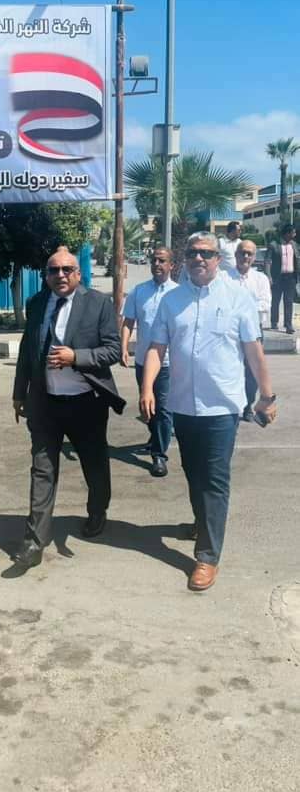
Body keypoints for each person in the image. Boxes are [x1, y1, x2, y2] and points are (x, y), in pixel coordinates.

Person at [140, 232, 277, 592]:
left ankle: (207, 556)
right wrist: (147, 387)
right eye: (192, 253)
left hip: (221, 407)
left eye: (206, 253)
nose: (198, 258)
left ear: (218, 258)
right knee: (193, 472)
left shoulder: (238, 297)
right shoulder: (171, 301)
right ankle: (202, 523)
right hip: (183, 406)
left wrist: (267, 396)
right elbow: (156, 347)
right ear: (184, 259)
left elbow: (253, 350)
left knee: (214, 479)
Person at [12, 247, 125, 570]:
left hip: (86, 403)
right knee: (42, 470)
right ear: (46, 275)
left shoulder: (98, 303)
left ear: (78, 273)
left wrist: (76, 357)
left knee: (94, 464)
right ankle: (34, 542)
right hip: (45, 403)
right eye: (53, 270)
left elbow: (113, 350)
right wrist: (19, 393)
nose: (60, 275)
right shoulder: (37, 303)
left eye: (66, 270)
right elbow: (27, 350)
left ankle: (98, 510)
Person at [120, 247, 176, 477]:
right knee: (147, 405)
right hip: (143, 361)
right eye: (154, 260)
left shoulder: (178, 293)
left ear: (171, 265)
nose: (157, 264)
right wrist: (124, 347)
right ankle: (156, 438)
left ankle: (159, 455)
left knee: (163, 408)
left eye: (162, 260)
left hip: (168, 363)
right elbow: (128, 322)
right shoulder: (139, 291)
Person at [229, 239, 271, 421]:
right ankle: (231, 406)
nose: (245, 256)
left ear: (254, 257)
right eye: (242, 252)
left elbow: (265, 304)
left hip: (254, 331)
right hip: (229, 330)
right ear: (236, 255)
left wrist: (241, 308)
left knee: (252, 371)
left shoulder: (260, 279)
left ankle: (247, 406)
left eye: (249, 253)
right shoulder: (224, 277)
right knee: (229, 368)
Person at [265, 223, 300, 334]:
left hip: (291, 277)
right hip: (277, 277)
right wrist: (269, 276)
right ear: (287, 233)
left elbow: (297, 260)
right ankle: (274, 322)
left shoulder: (294, 245)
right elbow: (267, 261)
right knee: (275, 300)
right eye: (293, 233)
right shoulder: (274, 245)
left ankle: (288, 325)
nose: (295, 235)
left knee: (289, 301)